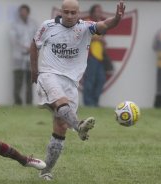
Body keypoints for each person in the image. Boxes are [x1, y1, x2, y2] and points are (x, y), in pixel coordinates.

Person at [30, 0, 125, 180]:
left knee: (60, 126)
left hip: (71, 82)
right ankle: (79, 125)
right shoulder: (47, 26)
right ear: (61, 11)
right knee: (60, 102)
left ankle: (46, 171)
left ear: (79, 13)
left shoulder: (85, 28)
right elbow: (35, 44)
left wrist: (118, 19)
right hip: (49, 74)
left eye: (73, 13)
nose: (70, 16)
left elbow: (105, 25)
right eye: (66, 12)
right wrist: (34, 70)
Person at [83, 4, 113, 107]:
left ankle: (95, 102)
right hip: (90, 55)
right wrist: (98, 38)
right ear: (92, 12)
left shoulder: (101, 24)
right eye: (97, 11)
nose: (99, 13)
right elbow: (82, 36)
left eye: (101, 11)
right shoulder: (87, 22)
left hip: (100, 56)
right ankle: (88, 103)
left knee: (101, 79)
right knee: (90, 80)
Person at [9, 4, 38, 105]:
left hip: (30, 57)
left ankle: (29, 102)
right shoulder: (14, 25)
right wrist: (25, 47)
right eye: (21, 11)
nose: (23, 13)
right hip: (19, 56)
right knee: (18, 82)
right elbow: (13, 40)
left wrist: (32, 47)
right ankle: (17, 102)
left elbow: (38, 38)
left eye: (25, 11)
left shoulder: (33, 24)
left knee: (30, 81)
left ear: (28, 13)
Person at [153, 27, 161, 108]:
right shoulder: (159, 34)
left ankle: (158, 105)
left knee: (160, 86)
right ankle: (158, 105)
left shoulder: (159, 33)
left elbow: (154, 46)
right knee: (160, 86)